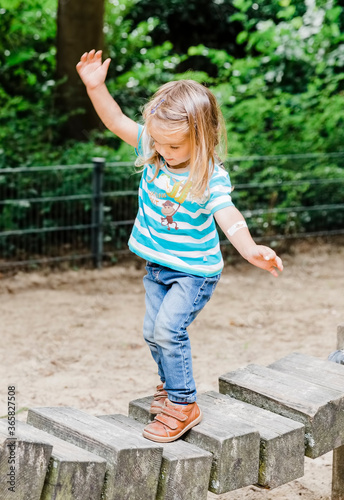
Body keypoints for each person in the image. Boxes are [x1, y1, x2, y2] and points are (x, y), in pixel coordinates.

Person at [76, 49, 284, 443]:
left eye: (175, 147)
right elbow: (115, 119)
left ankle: (184, 403)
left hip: (194, 271)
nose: (165, 153)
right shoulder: (153, 150)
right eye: (159, 143)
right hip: (157, 264)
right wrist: (96, 86)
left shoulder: (209, 176)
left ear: (200, 138)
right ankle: (170, 386)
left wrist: (249, 246)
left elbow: (228, 214)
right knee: (152, 332)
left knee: (170, 329)